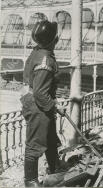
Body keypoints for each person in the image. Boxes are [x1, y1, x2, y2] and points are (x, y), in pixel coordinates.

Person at [20, 20, 65, 187]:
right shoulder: (45, 59)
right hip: (38, 107)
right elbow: (39, 93)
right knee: (35, 144)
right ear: (53, 40)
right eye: (56, 36)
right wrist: (55, 106)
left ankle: (55, 170)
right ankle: (30, 181)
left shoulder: (38, 52)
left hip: (40, 105)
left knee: (50, 140)